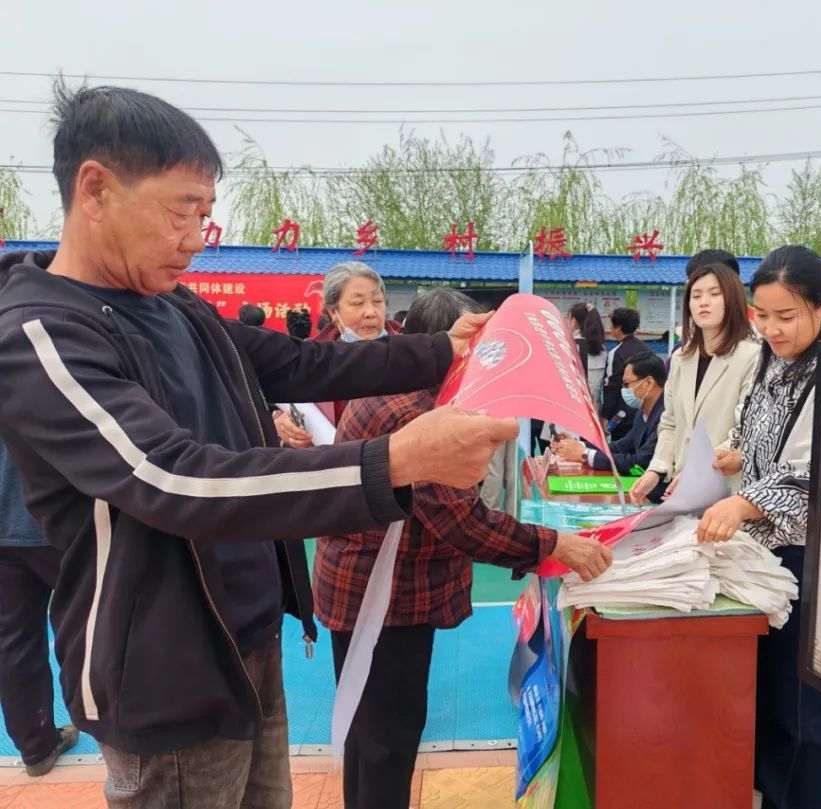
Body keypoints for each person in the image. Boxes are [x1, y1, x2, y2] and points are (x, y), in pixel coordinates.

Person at [0, 84, 517, 809]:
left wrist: (442, 349)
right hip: (165, 671)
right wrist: (397, 459)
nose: (196, 236)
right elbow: (173, 479)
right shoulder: (42, 334)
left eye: (205, 214)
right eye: (182, 210)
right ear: (96, 189)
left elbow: (301, 363)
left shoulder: (173, 305)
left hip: (249, 634)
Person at [314, 287, 612, 809]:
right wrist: (555, 544)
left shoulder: (394, 384)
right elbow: (462, 521)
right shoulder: (420, 413)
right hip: (385, 600)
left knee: (370, 734)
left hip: (367, 588)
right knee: (387, 739)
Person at [696, 245, 821, 809]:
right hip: (767, 554)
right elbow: (756, 428)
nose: (772, 328)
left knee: (802, 708)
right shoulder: (771, 359)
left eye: (787, 316)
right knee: (769, 694)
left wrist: (747, 502)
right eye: (762, 315)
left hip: (813, 560)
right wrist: (737, 455)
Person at [0, 257, 80, 778]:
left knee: (13, 638)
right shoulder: (46, 342)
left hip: (7, 529)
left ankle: (35, 747)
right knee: (83, 630)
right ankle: (111, 735)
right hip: (50, 521)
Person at [629, 263, 760, 506]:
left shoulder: (752, 357)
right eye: (696, 296)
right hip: (682, 492)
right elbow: (670, 423)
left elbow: (746, 429)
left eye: (714, 294)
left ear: (732, 300)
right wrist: (657, 469)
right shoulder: (681, 359)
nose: (703, 302)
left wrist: (698, 471)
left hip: (728, 493)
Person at [274, 261, 402, 448]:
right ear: (333, 311)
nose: (371, 312)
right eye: (358, 303)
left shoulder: (409, 354)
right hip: (328, 462)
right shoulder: (309, 359)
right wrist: (283, 425)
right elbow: (286, 413)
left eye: (377, 302)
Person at [551, 352, 667, 488]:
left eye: (627, 384)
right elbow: (622, 446)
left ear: (648, 383)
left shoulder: (665, 416)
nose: (624, 390)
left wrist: (584, 454)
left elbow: (639, 462)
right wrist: (579, 445)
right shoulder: (642, 413)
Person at [601, 307, 649, 441]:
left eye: (611, 324)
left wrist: (605, 416)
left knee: (621, 448)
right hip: (645, 411)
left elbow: (612, 387)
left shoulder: (616, 353)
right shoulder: (645, 349)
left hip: (622, 415)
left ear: (618, 328)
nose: (610, 328)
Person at [568, 302, 606, 406]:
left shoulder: (567, 345)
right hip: (593, 408)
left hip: (571, 406)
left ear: (573, 321)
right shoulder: (601, 348)